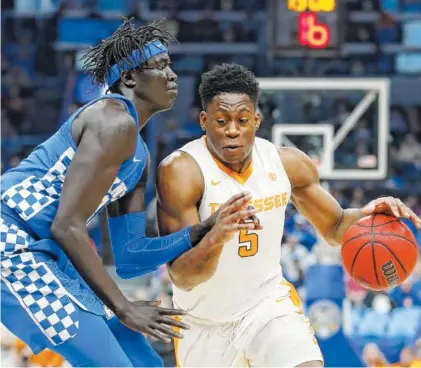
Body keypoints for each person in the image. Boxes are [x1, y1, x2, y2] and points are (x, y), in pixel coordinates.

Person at [0, 21, 256, 367]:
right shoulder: (111, 120)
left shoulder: (138, 156)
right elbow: (66, 225)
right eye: (161, 65)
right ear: (130, 79)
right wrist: (123, 306)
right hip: (12, 241)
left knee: (145, 361)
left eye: (171, 65)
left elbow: (130, 256)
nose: (173, 75)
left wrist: (198, 232)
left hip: (47, 250)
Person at [156, 63, 421, 367]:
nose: (232, 130)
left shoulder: (287, 164)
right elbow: (184, 276)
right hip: (202, 322)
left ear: (256, 120)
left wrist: (368, 216)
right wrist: (217, 236)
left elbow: (334, 227)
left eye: (242, 120)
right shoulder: (181, 172)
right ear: (204, 121)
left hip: (267, 307)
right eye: (221, 120)